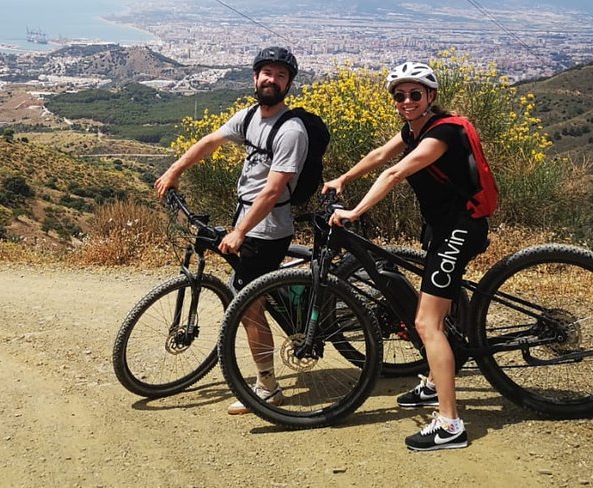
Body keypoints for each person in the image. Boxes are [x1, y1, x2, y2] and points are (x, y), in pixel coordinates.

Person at [323, 60, 489, 452]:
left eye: (416, 94)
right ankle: (435, 383)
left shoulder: (442, 132)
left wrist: (354, 211)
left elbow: (395, 173)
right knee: (436, 312)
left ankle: (450, 425)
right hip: (442, 228)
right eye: (400, 95)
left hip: (460, 229)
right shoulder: (412, 130)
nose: (407, 101)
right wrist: (343, 179)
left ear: (431, 96)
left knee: (426, 323)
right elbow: (381, 154)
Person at [154, 46, 308, 415]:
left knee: (249, 305)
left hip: (267, 228)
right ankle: (289, 312)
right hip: (248, 220)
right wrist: (175, 171)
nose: (272, 79)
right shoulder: (251, 115)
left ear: (288, 84)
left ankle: (268, 387)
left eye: (281, 75)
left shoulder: (291, 130)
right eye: (266, 72)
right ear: (255, 77)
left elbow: (272, 191)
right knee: (254, 293)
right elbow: (211, 142)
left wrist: (239, 231)